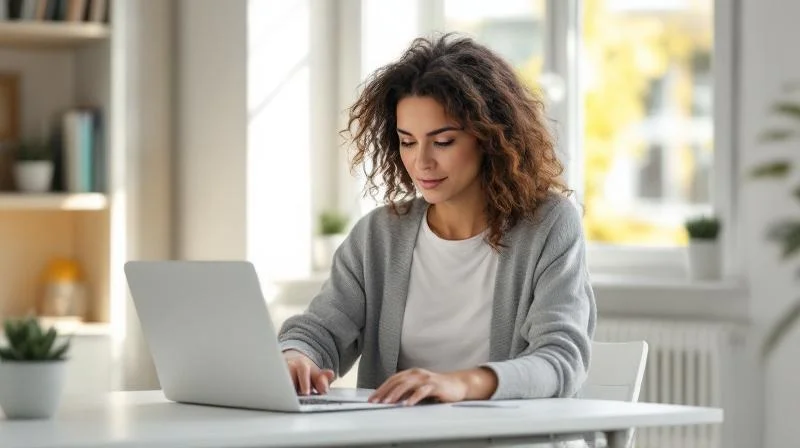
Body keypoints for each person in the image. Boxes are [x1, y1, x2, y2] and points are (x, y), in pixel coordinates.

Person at [278, 33, 596, 406]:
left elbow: (561, 359)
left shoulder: (548, 225)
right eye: (407, 141)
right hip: (397, 434)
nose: (422, 162)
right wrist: (296, 357)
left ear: (490, 137)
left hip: (505, 435)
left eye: (443, 142)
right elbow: (319, 331)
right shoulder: (379, 234)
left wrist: (463, 384)